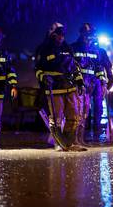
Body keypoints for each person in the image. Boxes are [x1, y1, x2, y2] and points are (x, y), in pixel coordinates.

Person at [35, 22, 85, 151]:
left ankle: (68, 142)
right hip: (54, 88)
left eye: (63, 35)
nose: (61, 38)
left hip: (70, 86)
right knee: (56, 117)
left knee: (74, 116)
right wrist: (44, 78)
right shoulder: (43, 49)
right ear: (52, 35)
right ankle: (58, 142)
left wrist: (79, 81)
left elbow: (75, 66)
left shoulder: (68, 48)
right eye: (58, 35)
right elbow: (37, 69)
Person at [72, 23, 107, 144]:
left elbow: (98, 68)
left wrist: (102, 83)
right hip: (78, 86)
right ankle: (74, 138)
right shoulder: (73, 48)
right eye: (87, 35)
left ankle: (80, 139)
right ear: (81, 34)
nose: (89, 38)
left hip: (91, 86)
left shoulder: (95, 50)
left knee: (85, 113)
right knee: (77, 112)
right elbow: (71, 67)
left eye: (90, 35)